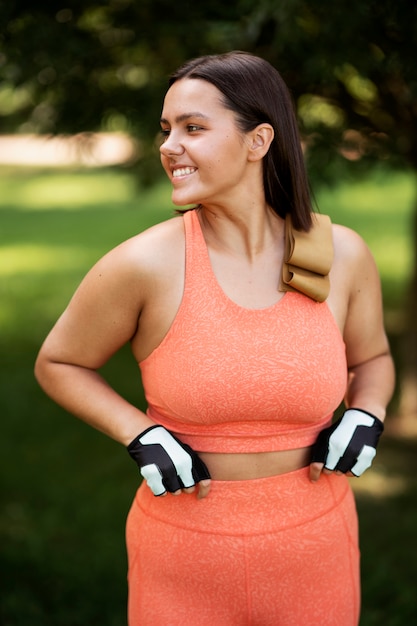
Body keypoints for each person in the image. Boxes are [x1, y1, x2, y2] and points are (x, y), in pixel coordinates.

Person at [35, 51, 395, 626]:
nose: (169, 146)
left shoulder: (342, 255)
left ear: (258, 141)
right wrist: (139, 432)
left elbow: (372, 355)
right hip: (181, 555)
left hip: (317, 550)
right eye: (167, 129)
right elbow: (59, 362)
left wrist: (368, 412)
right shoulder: (144, 264)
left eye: (193, 128)